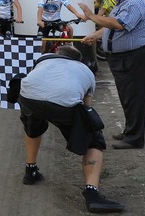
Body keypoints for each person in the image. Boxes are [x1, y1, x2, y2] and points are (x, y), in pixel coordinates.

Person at [18, 45, 124, 213]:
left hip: (29, 96)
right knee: (94, 139)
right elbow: (86, 107)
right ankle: (92, 194)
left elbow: (40, 82)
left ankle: (30, 171)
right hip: (63, 101)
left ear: (57, 53)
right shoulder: (86, 71)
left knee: (33, 127)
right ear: (78, 61)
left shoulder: (44, 58)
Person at [79, 0, 145, 150]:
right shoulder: (123, 2)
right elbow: (109, 27)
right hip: (124, 58)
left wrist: (90, 15)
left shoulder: (134, 3)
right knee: (127, 97)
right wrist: (95, 36)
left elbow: (119, 25)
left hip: (134, 57)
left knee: (133, 97)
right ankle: (131, 131)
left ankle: (135, 138)